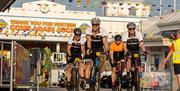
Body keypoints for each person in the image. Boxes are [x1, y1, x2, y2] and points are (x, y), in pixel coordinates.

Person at [122, 22, 147, 91]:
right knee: (129, 58)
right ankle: (127, 73)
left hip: (136, 51)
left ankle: (137, 76)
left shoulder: (138, 34)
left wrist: (144, 51)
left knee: (138, 67)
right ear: (128, 29)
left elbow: (141, 44)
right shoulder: (125, 35)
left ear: (135, 29)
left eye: (133, 28)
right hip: (129, 50)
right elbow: (124, 46)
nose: (132, 30)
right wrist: (126, 52)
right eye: (130, 29)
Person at [85, 17, 109, 89]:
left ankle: (98, 74)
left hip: (99, 47)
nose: (95, 26)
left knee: (101, 61)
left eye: (96, 25)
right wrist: (89, 49)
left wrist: (107, 51)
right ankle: (87, 82)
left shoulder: (103, 31)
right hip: (91, 46)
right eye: (93, 24)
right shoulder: (88, 30)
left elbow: (105, 42)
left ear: (99, 25)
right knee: (89, 63)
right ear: (91, 25)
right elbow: (88, 40)